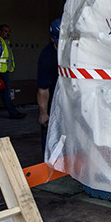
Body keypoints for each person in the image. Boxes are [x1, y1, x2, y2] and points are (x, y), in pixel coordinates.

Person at [0, 24, 26, 119]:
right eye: (5, 31)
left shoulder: (5, 42)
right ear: (0, 31)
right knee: (6, 93)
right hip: (0, 72)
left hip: (3, 71)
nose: (8, 33)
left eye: (9, 31)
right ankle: (13, 113)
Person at [36, 19, 61, 153]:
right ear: (53, 39)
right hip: (54, 104)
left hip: (73, 101)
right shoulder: (47, 56)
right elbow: (43, 88)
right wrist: (44, 113)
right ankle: (50, 165)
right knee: (51, 137)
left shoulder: (76, 50)